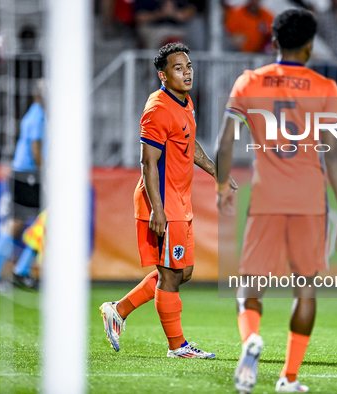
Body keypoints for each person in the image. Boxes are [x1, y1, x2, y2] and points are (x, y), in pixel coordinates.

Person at [216, 9, 337, 393]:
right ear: (310, 46)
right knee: (305, 289)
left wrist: (222, 185)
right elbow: (334, 154)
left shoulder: (249, 82)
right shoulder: (327, 88)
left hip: (267, 197)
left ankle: (251, 342)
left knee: (249, 287)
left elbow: (224, 142)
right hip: (311, 199)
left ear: (274, 41)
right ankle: (289, 377)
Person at [99, 43, 237, 358]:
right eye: (178, 68)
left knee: (182, 272)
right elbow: (148, 163)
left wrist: (217, 172)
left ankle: (118, 309)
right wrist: (158, 210)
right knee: (171, 275)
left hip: (179, 200)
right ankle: (178, 347)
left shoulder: (184, 102)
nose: (187, 72)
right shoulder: (157, 109)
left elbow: (189, 142)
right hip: (162, 202)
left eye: (188, 66)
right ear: (163, 75)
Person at [0, 79, 46, 291]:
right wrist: (47, 174)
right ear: (37, 95)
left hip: (26, 175)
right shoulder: (37, 116)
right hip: (27, 175)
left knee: (44, 221)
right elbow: (36, 149)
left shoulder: (38, 114)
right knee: (18, 223)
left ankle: (20, 270)